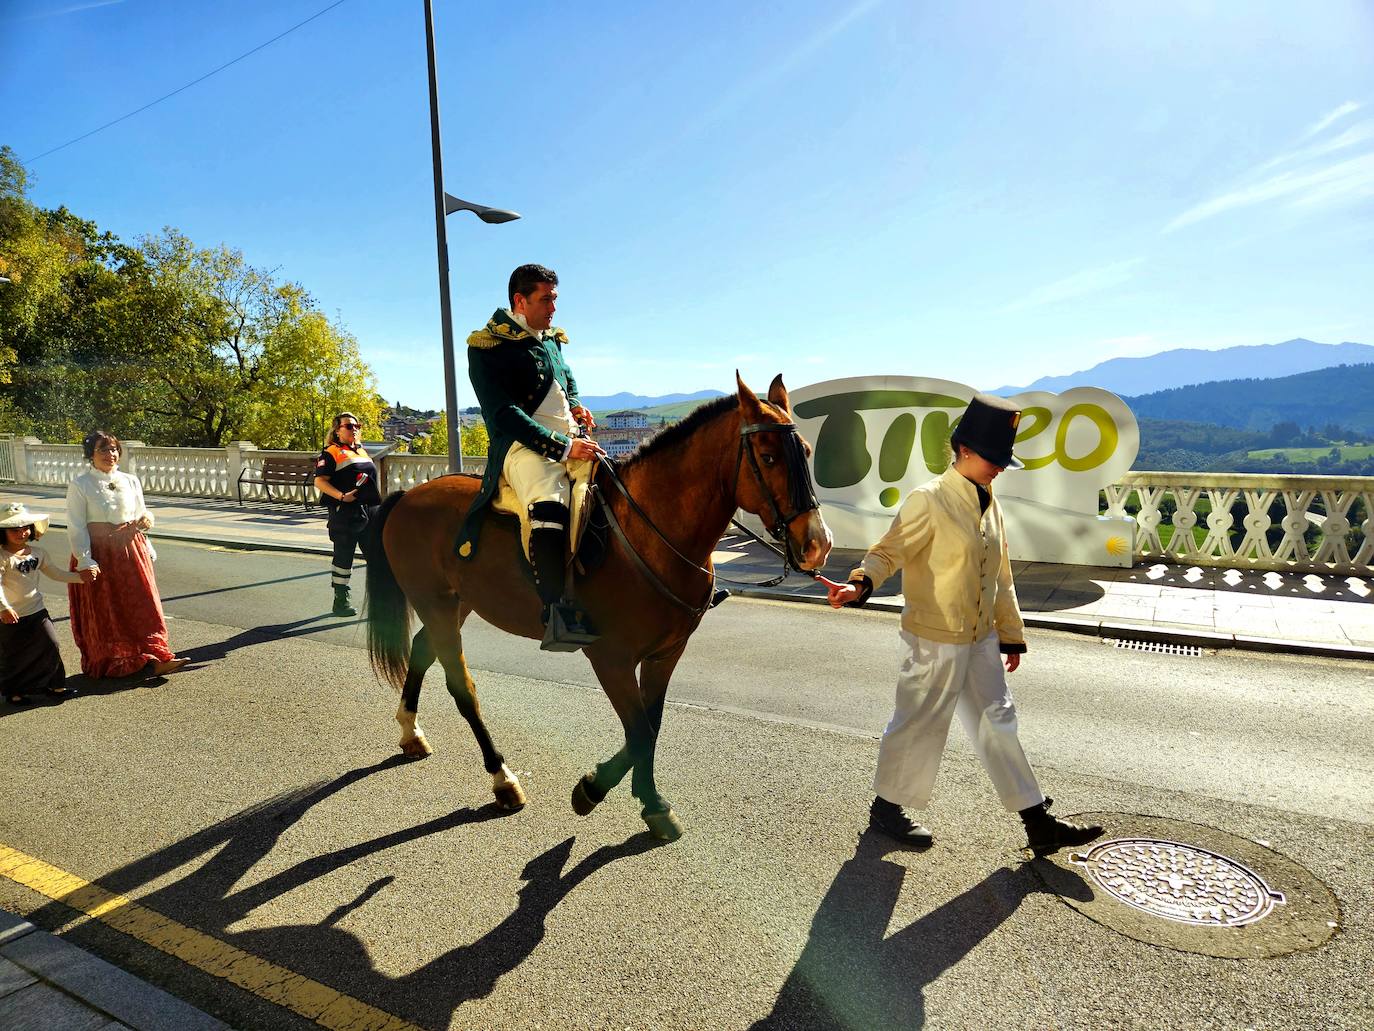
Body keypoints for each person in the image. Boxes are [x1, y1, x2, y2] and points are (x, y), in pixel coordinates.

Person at [820, 393, 1103, 856]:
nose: (1000, 468)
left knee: (999, 722)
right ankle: (887, 811)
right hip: (931, 639)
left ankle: (1037, 822)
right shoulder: (928, 500)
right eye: (994, 458)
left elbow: (1000, 574)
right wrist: (859, 584)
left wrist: (1010, 633)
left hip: (980, 639)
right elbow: (889, 550)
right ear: (965, 451)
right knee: (917, 725)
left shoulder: (988, 502)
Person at [456, 263, 605, 650]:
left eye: (554, 298)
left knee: (614, 485)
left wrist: (576, 408)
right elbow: (503, 414)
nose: (553, 308)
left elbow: (565, 380)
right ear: (520, 301)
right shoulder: (486, 347)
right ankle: (555, 609)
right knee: (550, 503)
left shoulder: (550, 338)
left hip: (570, 439)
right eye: (545, 299)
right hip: (520, 448)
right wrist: (562, 447)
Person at [66, 430, 188, 679]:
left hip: (131, 549)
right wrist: (85, 559)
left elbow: (141, 512)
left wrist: (147, 522)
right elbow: (76, 525)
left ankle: (154, 656)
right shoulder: (80, 485)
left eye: (113, 449)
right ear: (90, 454)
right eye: (103, 449)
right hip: (100, 553)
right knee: (108, 610)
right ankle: (115, 661)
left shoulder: (130, 480)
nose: (110, 454)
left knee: (143, 604)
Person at [1, 502, 95, 704]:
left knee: (51, 645)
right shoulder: (2, 556)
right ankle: (14, 692)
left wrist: (81, 577)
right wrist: (4, 608)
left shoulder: (38, 553)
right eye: (14, 530)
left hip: (36, 610)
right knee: (14, 653)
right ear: (3, 532)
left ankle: (55, 685)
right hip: (9, 614)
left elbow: (56, 573)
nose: (22, 533)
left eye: (25, 528)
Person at [314, 411, 382, 616]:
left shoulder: (361, 451)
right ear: (337, 430)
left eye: (357, 426)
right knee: (344, 557)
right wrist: (342, 496)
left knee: (377, 556)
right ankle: (341, 600)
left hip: (369, 511)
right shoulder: (331, 452)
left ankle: (379, 601)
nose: (355, 429)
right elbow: (319, 481)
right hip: (345, 511)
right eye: (349, 426)